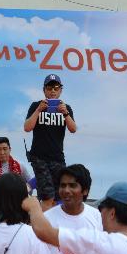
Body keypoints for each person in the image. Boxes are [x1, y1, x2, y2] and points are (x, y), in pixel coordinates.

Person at [23, 74, 76, 210]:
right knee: (47, 196)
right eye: (49, 87)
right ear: (44, 90)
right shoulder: (36, 106)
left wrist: (65, 113)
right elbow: (27, 128)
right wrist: (38, 110)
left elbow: (73, 129)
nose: (53, 91)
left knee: (60, 195)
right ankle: (42, 229)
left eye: (56, 88)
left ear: (60, 90)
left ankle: (53, 226)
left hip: (57, 157)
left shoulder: (66, 108)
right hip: (39, 157)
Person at [0, 137, 32, 217]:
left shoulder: (20, 166)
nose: (2, 152)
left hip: (18, 205)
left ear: (10, 149)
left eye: (5, 149)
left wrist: (26, 195)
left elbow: (30, 182)